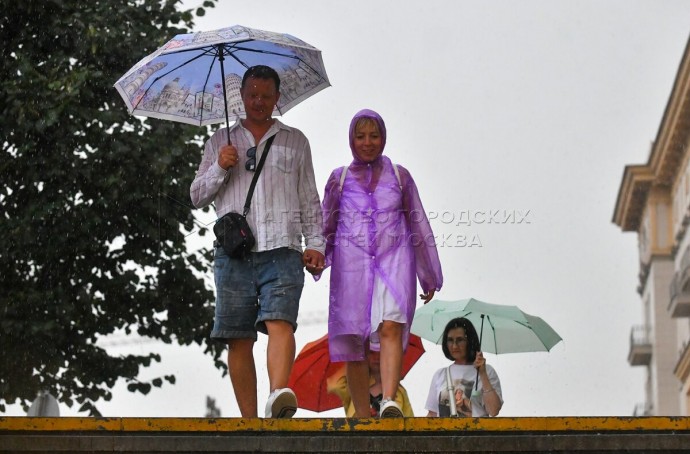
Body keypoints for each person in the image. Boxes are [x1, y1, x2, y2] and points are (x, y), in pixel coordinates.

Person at [190, 65, 325, 419]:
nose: (259, 102)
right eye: (252, 95)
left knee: (281, 321)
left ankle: (278, 396)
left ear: (277, 97)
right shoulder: (219, 141)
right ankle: (250, 422)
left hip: (283, 246)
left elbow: (309, 197)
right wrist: (220, 167)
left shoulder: (296, 140)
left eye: (266, 96)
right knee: (238, 336)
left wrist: (316, 243)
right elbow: (196, 196)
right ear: (242, 96)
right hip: (234, 252)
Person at [319, 109, 443, 418]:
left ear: (383, 138)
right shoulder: (339, 179)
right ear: (351, 139)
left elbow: (419, 225)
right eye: (360, 136)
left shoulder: (400, 177)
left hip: (394, 261)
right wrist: (317, 257)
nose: (367, 142)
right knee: (354, 340)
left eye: (374, 135)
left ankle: (389, 400)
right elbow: (326, 225)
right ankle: (361, 413)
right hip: (352, 269)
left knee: (391, 326)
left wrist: (428, 273)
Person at [425, 317, 503, 417]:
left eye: (460, 340)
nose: (454, 346)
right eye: (450, 340)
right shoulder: (440, 374)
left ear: (470, 341)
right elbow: (432, 414)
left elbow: (494, 410)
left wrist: (483, 374)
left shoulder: (487, 371)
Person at [327, 350, 414, 417]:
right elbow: (334, 385)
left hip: (390, 437)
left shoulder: (399, 391)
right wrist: (353, 359)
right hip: (359, 435)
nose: (376, 357)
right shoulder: (355, 387)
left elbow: (410, 422)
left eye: (381, 352)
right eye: (371, 353)